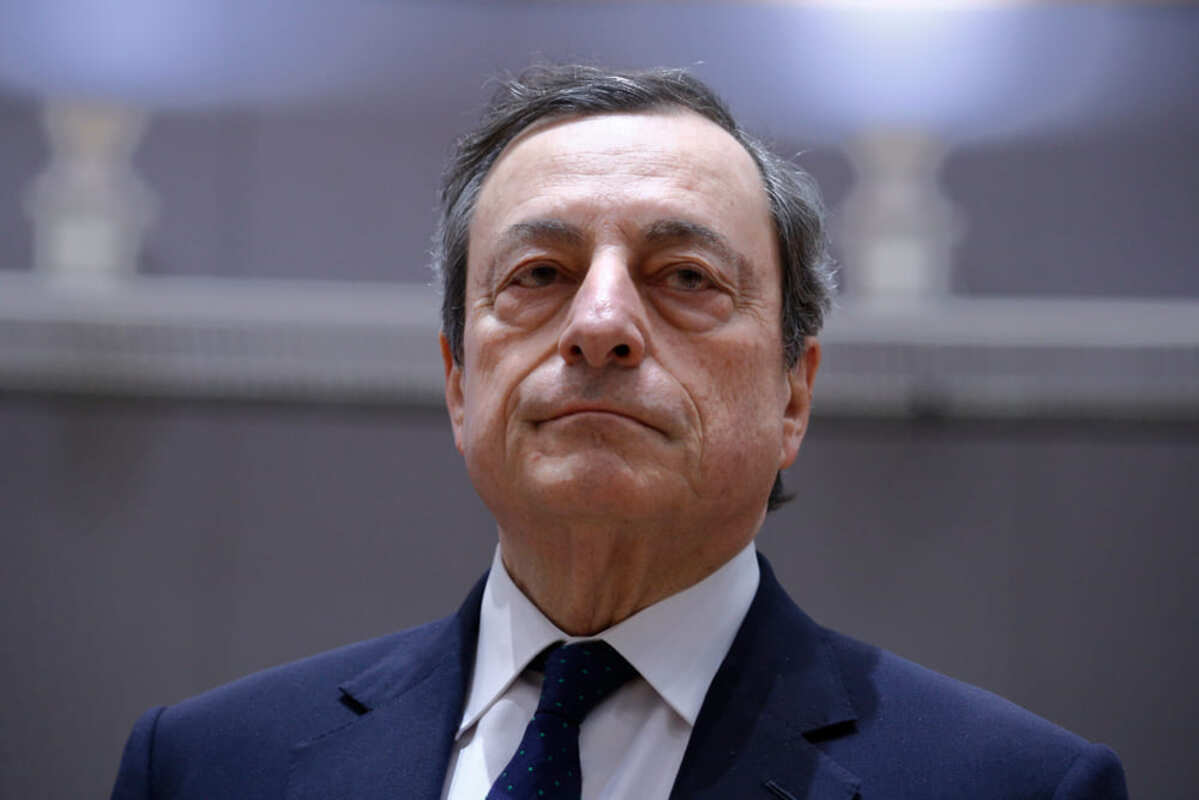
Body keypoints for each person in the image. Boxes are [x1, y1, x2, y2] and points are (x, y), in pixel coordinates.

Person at [110, 65, 1128, 800]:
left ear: (792, 394)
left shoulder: (1012, 784)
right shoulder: (206, 766)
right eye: (539, 274)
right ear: (459, 382)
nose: (598, 323)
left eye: (684, 276)